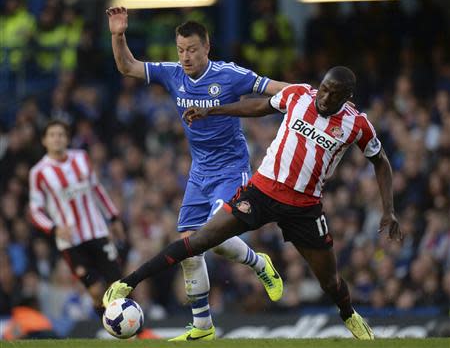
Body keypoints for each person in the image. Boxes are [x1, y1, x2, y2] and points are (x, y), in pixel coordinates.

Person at [104, 66, 403, 339]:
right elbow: (259, 105)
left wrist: (388, 210)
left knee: (330, 281)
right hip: (261, 192)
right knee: (200, 239)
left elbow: (381, 161)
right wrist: (214, 111)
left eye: (333, 94)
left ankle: (349, 315)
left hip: (305, 207)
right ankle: (129, 282)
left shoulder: (357, 124)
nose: (324, 97)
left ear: (347, 96)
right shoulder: (299, 94)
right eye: (323, 88)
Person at [106, 6, 287, 341]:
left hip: (231, 169)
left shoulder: (230, 75)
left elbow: (276, 88)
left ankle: (260, 264)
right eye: (180, 50)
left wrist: (315, 96)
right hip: (199, 171)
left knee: (212, 239)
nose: (185, 57)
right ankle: (202, 325)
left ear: (207, 48)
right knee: (191, 246)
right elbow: (126, 66)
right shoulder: (173, 73)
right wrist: (119, 35)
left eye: (191, 50)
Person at [28, 120, 126, 317]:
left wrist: (113, 218)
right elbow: (35, 210)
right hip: (70, 241)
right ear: (44, 141)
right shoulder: (38, 172)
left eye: (61, 134)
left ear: (67, 138)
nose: (57, 138)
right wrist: (54, 228)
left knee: (119, 286)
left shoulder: (81, 157)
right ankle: (108, 328)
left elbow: (97, 189)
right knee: (96, 290)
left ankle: (128, 333)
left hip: (97, 231)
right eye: (52, 135)